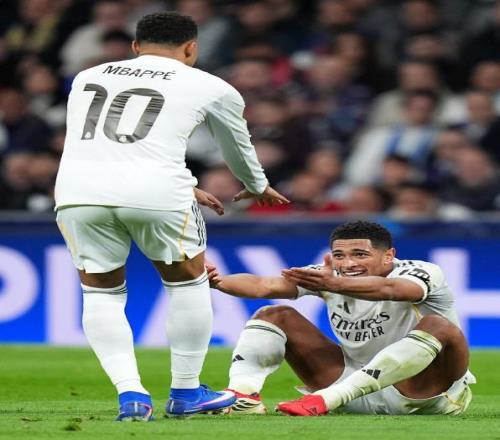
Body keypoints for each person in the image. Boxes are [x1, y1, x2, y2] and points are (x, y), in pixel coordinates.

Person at [54, 11, 289, 421]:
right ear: (191, 48)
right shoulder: (211, 85)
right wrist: (256, 184)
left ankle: (131, 395)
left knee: (101, 293)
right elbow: (235, 146)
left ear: (135, 46)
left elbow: (103, 144)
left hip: (78, 193)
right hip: (157, 193)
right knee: (187, 283)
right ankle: (185, 392)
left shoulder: (86, 77)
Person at [207, 221, 475, 416]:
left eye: (360, 254)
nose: (347, 264)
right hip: (349, 384)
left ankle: (328, 399)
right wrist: (215, 281)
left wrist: (335, 285)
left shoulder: (421, 271)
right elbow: (264, 285)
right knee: (274, 314)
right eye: (339, 255)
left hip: (418, 395)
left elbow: (393, 289)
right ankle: (242, 395)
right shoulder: (330, 276)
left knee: (439, 326)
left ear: (388, 256)